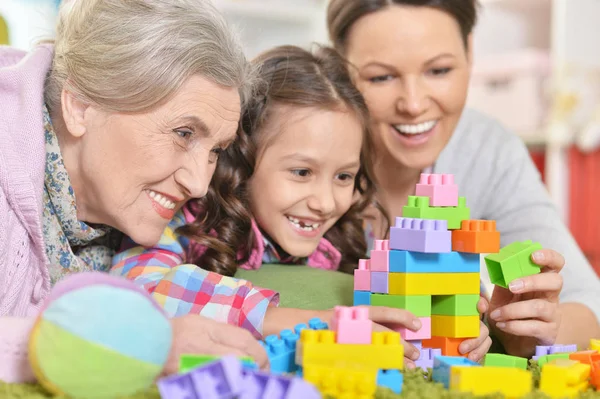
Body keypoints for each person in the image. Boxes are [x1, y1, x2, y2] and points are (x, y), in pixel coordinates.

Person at [112, 45, 492, 366]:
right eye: (301, 172)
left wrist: (448, 320)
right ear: (242, 161)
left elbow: (400, 312)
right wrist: (302, 321)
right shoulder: (184, 223)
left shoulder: (347, 242)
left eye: (343, 176)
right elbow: (138, 287)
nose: (325, 203)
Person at [0, 0, 270, 383]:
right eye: (183, 133)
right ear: (80, 106)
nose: (198, 184)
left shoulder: (120, 206)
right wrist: (139, 346)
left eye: (215, 151)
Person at [326, 0, 600, 357]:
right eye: (381, 77)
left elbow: (589, 305)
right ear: (339, 69)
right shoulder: (307, 143)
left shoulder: (487, 149)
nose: (412, 103)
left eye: (438, 70)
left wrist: (535, 329)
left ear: (470, 52)